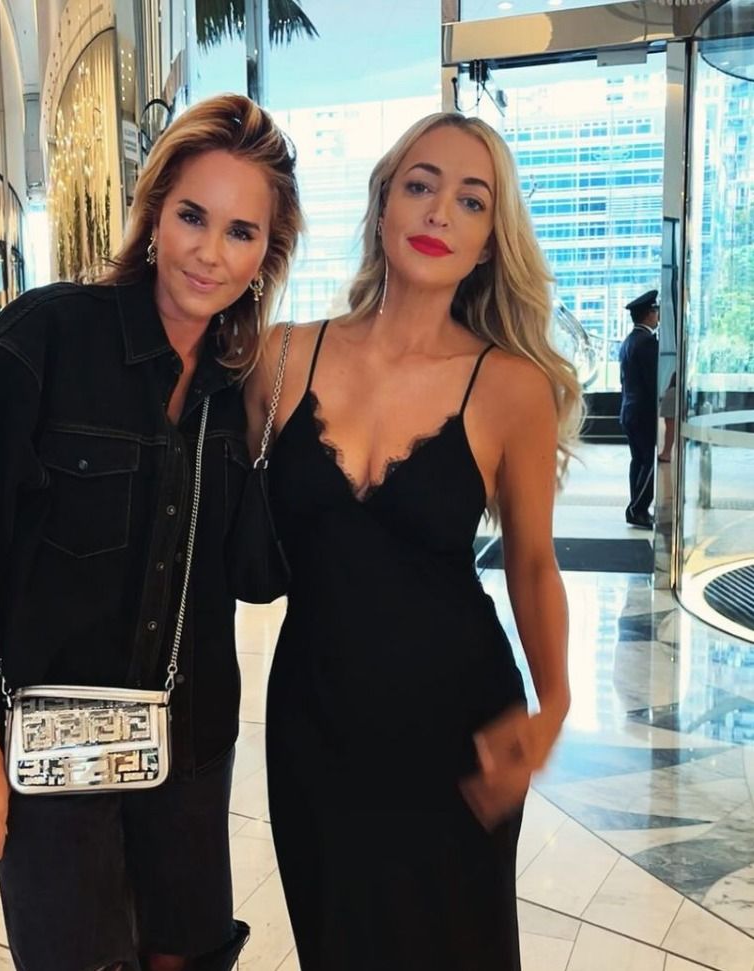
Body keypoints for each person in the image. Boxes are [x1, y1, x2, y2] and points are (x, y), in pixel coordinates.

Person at [0, 94, 303, 971]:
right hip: (54, 755)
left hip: (189, 748)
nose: (210, 251)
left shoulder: (238, 390)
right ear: (155, 211)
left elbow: (254, 573)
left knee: (187, 957)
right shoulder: (42, 340)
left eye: (241, 232)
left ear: (266, 253)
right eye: (193, 216)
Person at [246, 112, 580, 970]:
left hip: (455, 727)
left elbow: (532, 563)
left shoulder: (510, 387)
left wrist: (552, 705)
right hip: (315, 721)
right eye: (421, 185)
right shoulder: (280, 358)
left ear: (489, 242)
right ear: (383, 203)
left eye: (471, 201)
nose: (439, 213)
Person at [619, 288, 660, 527]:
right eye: (656, 311)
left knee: (638, 461)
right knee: (648, 462)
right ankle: (637, 509)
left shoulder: (629, 341)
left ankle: (637, 506)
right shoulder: (647, 342)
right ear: (649, 314)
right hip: (644, 412)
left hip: (629, 410)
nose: (657, 316)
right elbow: (653, 381)